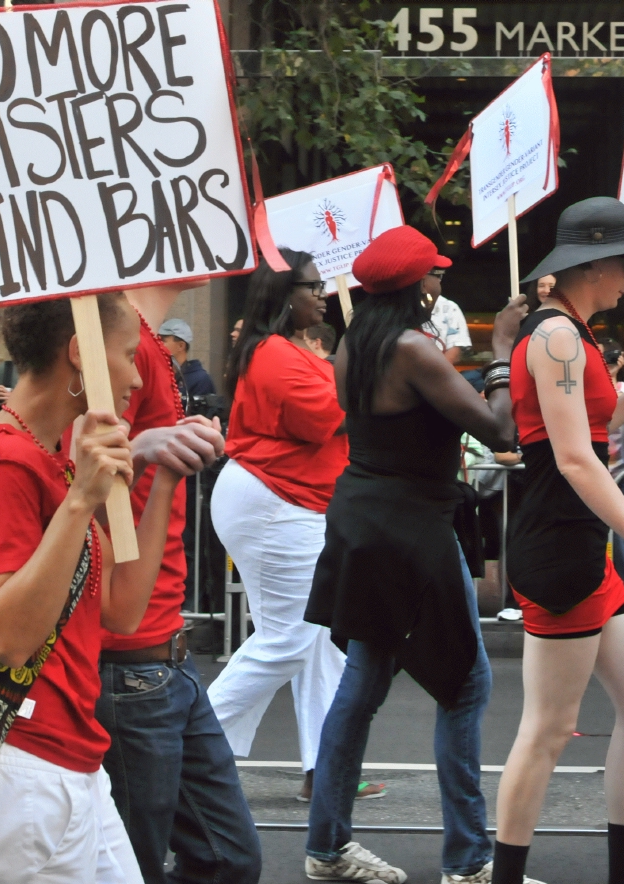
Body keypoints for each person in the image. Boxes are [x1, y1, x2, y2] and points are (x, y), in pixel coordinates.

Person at [303, 225, 528, 884]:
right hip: (409, 531)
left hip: (364, 521)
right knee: (465, 685)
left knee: (362, 687)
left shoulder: (355, 345)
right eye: (433, 274)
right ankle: (468, 861)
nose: (440, 283)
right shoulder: (410, 348)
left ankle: (327, 848)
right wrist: (505, 349)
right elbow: (497, 426)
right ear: (411, 287)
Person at [0, 292, 190, 881]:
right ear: (82, 354)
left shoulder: (52, 458)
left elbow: (122, 611)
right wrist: (80, 502)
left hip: (74, 761)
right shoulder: (5, 462)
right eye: (128, 354)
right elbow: (8, 639)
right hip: (23, 770)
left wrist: (164, 479)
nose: (136, 375)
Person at [487, 198, 624, 884]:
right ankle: (507, 877)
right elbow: (575, 459)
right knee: (546, 732)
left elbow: (587, 425)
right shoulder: (558, 338)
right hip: (562, 549)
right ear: (595, 263)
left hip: (581, 550)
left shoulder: (568, 335)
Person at [95, 282, 258, 884]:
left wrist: (167, 449)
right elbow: (67, 475)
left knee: (230, 859)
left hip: (167, 654)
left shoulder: (143, 344)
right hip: (130, 662)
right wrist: (141, 449)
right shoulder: (119, 342)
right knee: (130, 869)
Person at [207, 249, 381, 805]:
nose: (323, 293)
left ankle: (325, 769)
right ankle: (188, 747)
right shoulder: (274, 353)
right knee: (294, 636)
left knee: (318, 638)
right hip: (274, 501)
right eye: (312, 286)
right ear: (285, 295)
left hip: (282, 500)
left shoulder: (285, 349)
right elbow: (325, 417)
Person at [423, 265, 472, 364]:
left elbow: (455, 350)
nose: (438, 280)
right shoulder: (399, 306)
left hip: (438, 374)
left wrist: (432, 374)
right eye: (436, 275)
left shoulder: (450, 307)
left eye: (440, 276)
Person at [158, 318, 217, 400]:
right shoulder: (159, 374)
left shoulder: (200, 380)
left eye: (162, 341)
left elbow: (203, 412)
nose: (157, 344)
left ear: (181, 346)